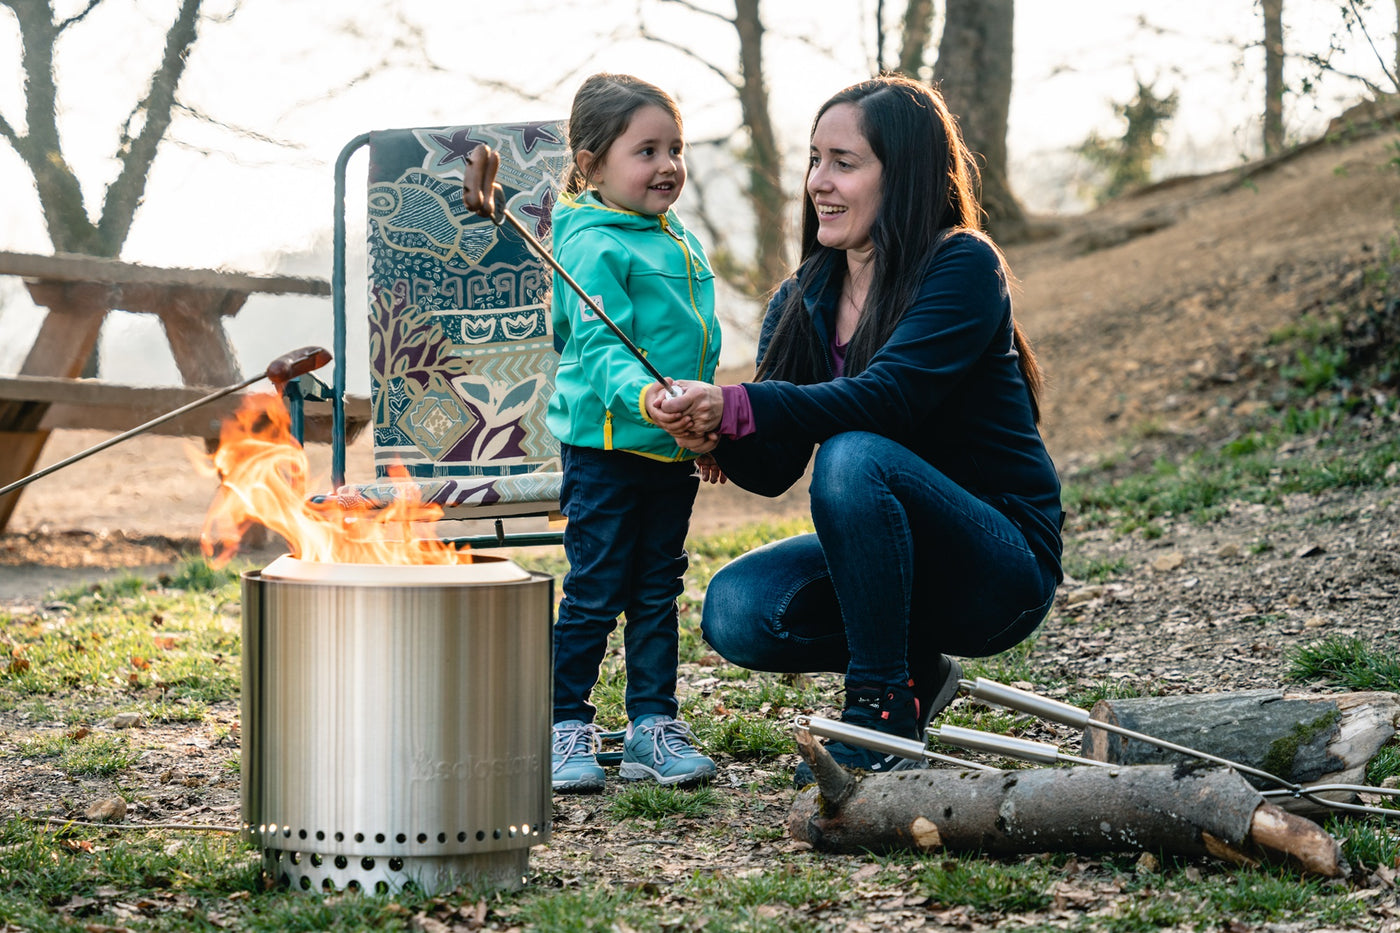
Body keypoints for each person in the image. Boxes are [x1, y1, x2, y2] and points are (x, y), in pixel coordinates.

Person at [647, 75, 1063, 785]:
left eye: (844, 162)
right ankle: (915, 672)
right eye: (814, 160)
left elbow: (888, 399)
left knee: (854, 456)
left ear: (901, 175)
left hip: (998, 563)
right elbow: (774, 466)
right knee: (738, 607)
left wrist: (740, 403)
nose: (819, 182)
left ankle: (880, 713)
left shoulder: (961, 264)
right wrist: (710, 434)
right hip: (891, 562)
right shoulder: (804, 295)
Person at [534, 73, 722, 793]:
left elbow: (695, 348)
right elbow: (598, 347)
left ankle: (651, 725)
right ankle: (562, 723)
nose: (668, 164)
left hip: (665, 450)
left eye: (675, 147)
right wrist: (646, 396)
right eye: (646, 150)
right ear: (591, 164)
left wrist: (703, 433)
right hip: (607, 448)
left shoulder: (676, 238)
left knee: (655, 589)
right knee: (595, 588)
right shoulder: (589, 243)